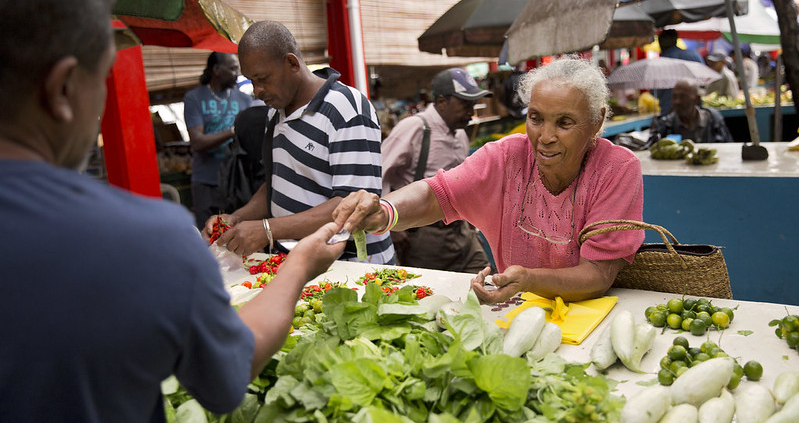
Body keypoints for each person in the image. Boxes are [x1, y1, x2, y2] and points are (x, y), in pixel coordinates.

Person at [0, 1, 347, 421]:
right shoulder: (145, 238)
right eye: (102, 78)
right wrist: (298, 266)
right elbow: (227, 376)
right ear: (65, 88)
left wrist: (247, 220)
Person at [333, 56, 645, 304]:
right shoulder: (505, 157)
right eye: (535, 119)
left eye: (564, 123)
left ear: (597, 121)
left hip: (590, 317)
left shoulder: (616, 169)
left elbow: (597, 275)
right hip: (519, 309)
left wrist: (529, 279)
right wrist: (385, 211)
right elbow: (436, 194)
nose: (545, 137)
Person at [206, 20, 395, 264]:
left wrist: (267, 230)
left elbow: (351, 207)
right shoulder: (276, 113)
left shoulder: (347, 109)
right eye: (251, 80)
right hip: (302, 262)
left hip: (353, 266)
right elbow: (276, 184)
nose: (257, 90)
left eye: (262, 78)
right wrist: (237, 218)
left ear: (292, 63)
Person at [381, 68, 491, 273]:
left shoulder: (460, 135)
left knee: (484, 284)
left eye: (473, 105)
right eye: (465, 104)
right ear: (442, 101)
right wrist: (391, 224)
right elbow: (380, 171)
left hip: (463, 230)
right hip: (425, 236)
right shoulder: (415, 128)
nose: (470, 112)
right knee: (432, 296)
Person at [184, 52, 254, 228]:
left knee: (236, 234)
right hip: (207, 182)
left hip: (237, 182)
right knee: (209, 235)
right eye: (232, 68)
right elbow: (197, 142)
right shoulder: (194, 98)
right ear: (216, 69)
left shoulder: (245, 99)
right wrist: (232, 131)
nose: (237, 73)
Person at [649, 79, 733, 143]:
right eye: (674, 97)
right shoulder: (667, 126)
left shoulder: (713, 121)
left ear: (696, 99)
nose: (677, 101)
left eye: (683, 96)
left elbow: (727, 148)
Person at [655, 29, 704, 115]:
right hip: (694, 112)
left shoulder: (659, 64)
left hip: (669, 113)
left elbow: (655, 92)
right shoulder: (693, 55)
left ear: (660, 42)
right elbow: (703, 82)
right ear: (676, 39)